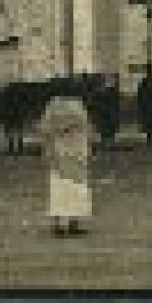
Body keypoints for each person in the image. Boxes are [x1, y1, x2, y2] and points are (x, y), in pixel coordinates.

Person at [36, 79, 95, 236]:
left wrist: (47, 147)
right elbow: (86, 127)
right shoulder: (78, 105)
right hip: (76, 152)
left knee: (59, 187)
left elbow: (45, 129)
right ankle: (74, 221)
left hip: (60, 151)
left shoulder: (53, 106)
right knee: (76, 187)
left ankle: (58, 223)